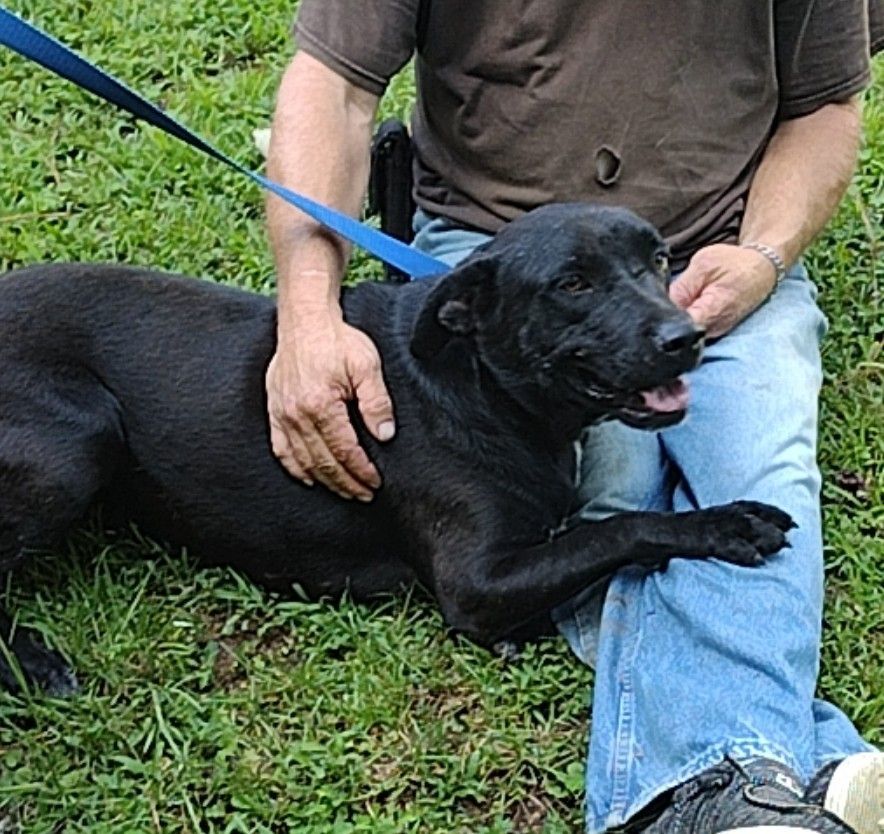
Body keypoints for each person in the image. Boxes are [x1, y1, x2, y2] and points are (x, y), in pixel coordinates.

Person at [263, 3, 884, 832]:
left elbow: (824, 107)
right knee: (612, 500)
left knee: (757, 481)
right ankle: (785, 774)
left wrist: (765, 256)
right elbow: (334, 87)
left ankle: (720, 788)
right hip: (497, 254)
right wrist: (308, 317)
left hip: (716, 252)